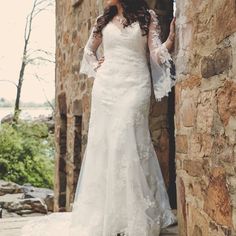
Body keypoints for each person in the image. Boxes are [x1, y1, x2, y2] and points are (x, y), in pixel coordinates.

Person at [21, 0, 177, 235]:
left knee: (129, 140)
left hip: (136, 85)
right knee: (108, 145)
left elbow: (154, 54)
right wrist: (97, 66)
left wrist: (169, 42)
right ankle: (111, 215)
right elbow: (88, 50)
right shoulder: (102, 20)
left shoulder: (148, 17)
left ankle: (135, 216)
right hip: (106, 88)